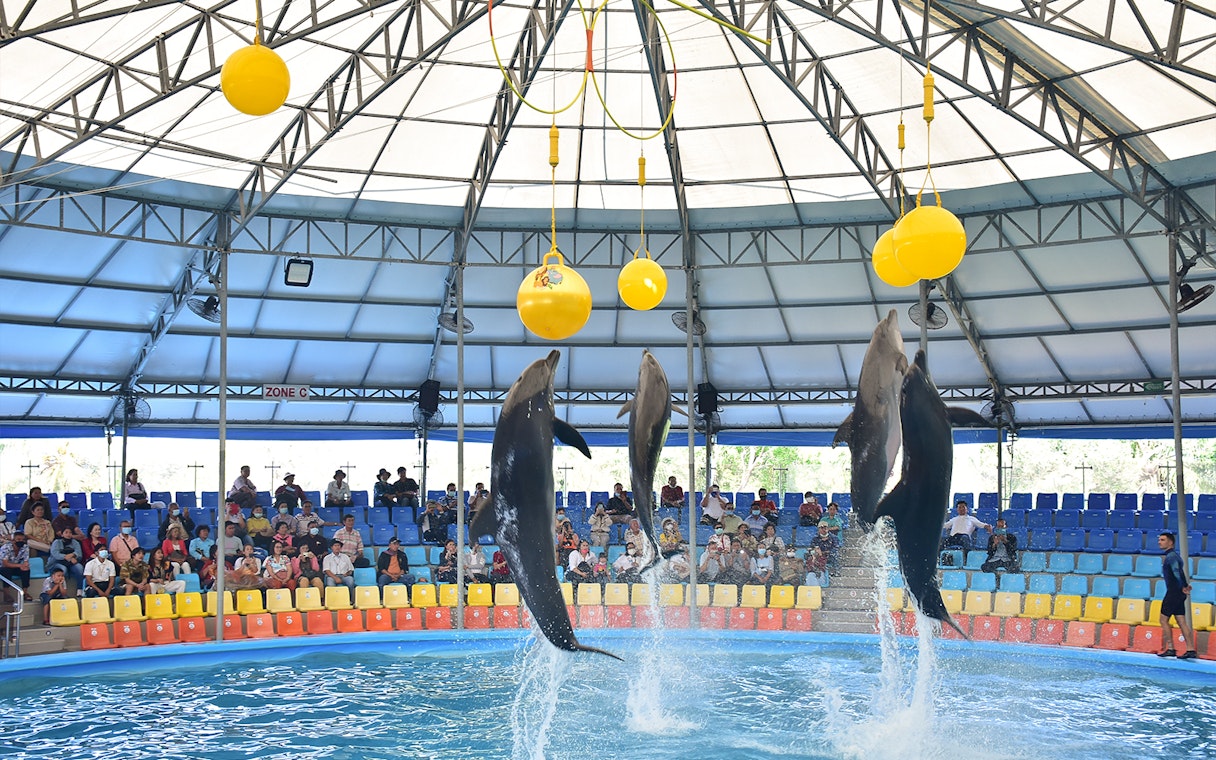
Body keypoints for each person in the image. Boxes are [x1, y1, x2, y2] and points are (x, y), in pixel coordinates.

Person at [1157, 532, 1198, 659]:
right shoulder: (1174, 556)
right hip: (1178, 592)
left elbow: (1176, 573)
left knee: (1163, 620)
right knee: (1181, 621)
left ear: (1171, 542)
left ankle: (1170, 648)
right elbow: (1180, 572)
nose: (1160, 542)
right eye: (1159, 540)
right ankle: (1190, 649)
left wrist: (1184, 586)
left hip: (1174, 592)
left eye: (1163, 540)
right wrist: (1185, 586)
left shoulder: (1171, 556)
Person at [0, 531, 32, 603]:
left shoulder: (25, 547)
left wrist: (25, 566)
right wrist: (20, 565)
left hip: (15, 566)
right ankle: (6, 594)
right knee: (6, 571)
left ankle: (24, 593)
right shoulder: (6, 547)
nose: (21, 541)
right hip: (3, 567)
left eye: (22, 540)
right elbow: (5, 563)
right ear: (13, 540)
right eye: (18, 539)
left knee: (26, 570)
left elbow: (26, 561)